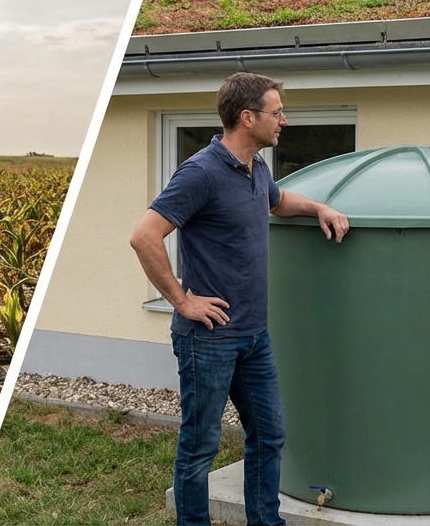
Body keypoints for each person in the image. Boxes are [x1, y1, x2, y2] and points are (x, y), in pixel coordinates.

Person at [129, 72, 350, 526]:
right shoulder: (200, 172)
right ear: (247, 118)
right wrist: (182, 300)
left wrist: (319, 208)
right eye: (277, 112)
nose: (283, 121)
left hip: (253, 336)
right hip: (207, 338)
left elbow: (276, 200)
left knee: (269, 435)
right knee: (199, 447)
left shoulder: (256, 167)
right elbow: (144, 236)